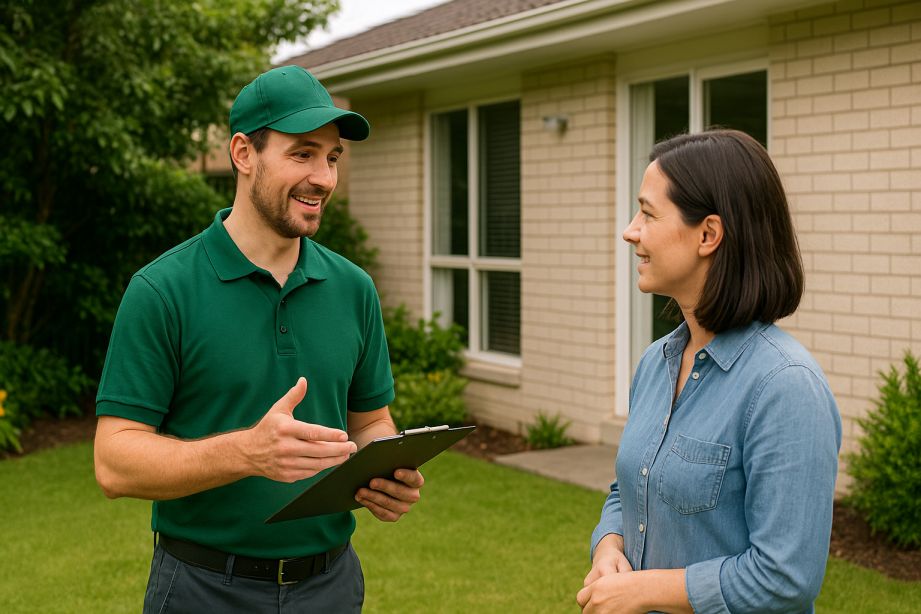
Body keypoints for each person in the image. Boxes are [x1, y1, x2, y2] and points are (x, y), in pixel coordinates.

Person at [94, 65, 424, 613]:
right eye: (303, 154)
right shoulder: (162, 290)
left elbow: (369, 420)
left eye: (333, 157)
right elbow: (114, 461)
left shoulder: (353, 288)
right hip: (202, 590)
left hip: (331, 585)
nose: (324, 177)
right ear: (244, 154)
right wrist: (246, 452)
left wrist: (382, 469)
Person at [577, 129, 842, 614]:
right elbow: (630, 487)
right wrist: (608, 544)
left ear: (708, 235)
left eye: (648, 214)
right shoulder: (655, 363)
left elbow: (784, 578)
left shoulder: (785, 387)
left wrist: (643, 591)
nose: (630, 231)